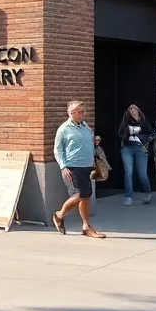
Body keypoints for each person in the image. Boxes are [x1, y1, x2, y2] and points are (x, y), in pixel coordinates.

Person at [52, 100, 104, 239]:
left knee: (86, 196)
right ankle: (59, 215)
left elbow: (88, 142)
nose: (83, 114)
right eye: (79, 111)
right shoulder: (64, 129)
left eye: (84, 111)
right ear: (70, 113)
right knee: (81, 193)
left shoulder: (85, 126)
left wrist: (94, 141)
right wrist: (63, 167)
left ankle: (86, 227)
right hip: (72, 166)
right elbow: (57, 150)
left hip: (87, 165)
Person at [117, 103, 154, 206]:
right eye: (130, 109)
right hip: (127, 148)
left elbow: (150, 134)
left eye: (134, 109)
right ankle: (128, 197)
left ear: (138, 111)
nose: (133, 111)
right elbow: (120, 132)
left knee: (142, 174)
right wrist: (125, 137)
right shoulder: (126, 121)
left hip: (140, 148)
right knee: (128, 172)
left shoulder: (143, 121)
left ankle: (147, 193)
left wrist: (141, 138)